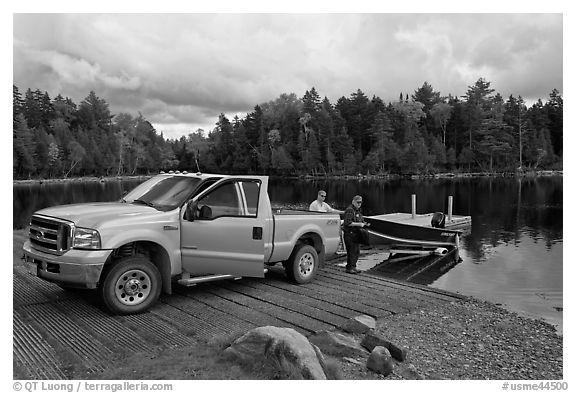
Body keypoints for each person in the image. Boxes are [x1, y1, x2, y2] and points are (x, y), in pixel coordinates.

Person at [342, 195, 369, 274]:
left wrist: (364, 224)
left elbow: (360, 219)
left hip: (356, 234)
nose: (359, 204)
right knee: (352, 251)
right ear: (353, 202)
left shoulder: (358, 210)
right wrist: (359, 224)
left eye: (360, 202)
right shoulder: (350, 210)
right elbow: (348, 223)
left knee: (356, 251)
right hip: (349, 234)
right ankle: (350, 268)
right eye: (358, 202)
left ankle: (353, 267)